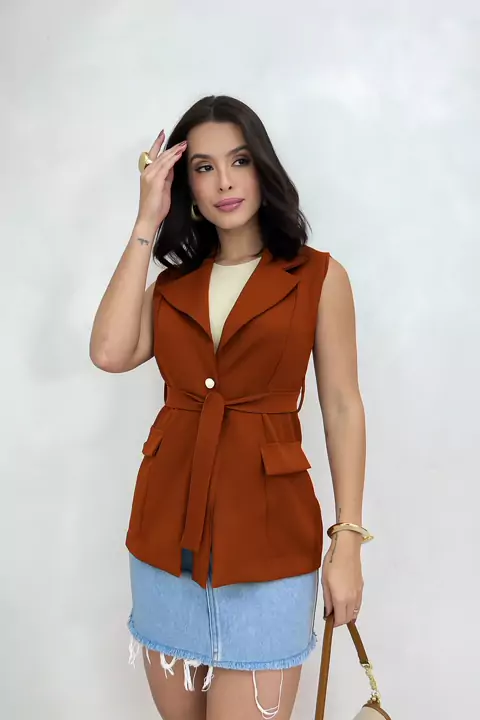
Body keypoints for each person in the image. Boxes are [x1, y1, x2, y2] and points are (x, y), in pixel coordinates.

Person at [89, 95, 369, 720]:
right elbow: (108, 351)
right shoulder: (171, 287)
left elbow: (342, 407)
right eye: (204, 167)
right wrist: (146, 219)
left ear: (263, 168)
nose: (224, 182)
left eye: (239, 161)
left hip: (271, 546)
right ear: (186, 185)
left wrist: (347, 539)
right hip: (166, 544)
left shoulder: (319, 278)